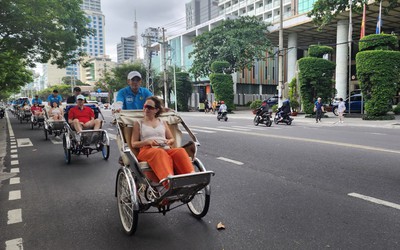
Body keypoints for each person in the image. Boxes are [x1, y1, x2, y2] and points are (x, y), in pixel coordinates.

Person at [130, 96, 194, 186]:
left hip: (165, 148)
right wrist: (148, 142)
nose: (146, 109)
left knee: (180, 151)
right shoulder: (138, 123)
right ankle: (168, 181)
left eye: (150, 107)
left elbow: (171, 138)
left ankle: (190, 175)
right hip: (147, 150)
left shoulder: (162, 122)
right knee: (160, 153)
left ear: (156, 110)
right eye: (145, 106)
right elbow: (134, 143)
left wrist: (169, 142)